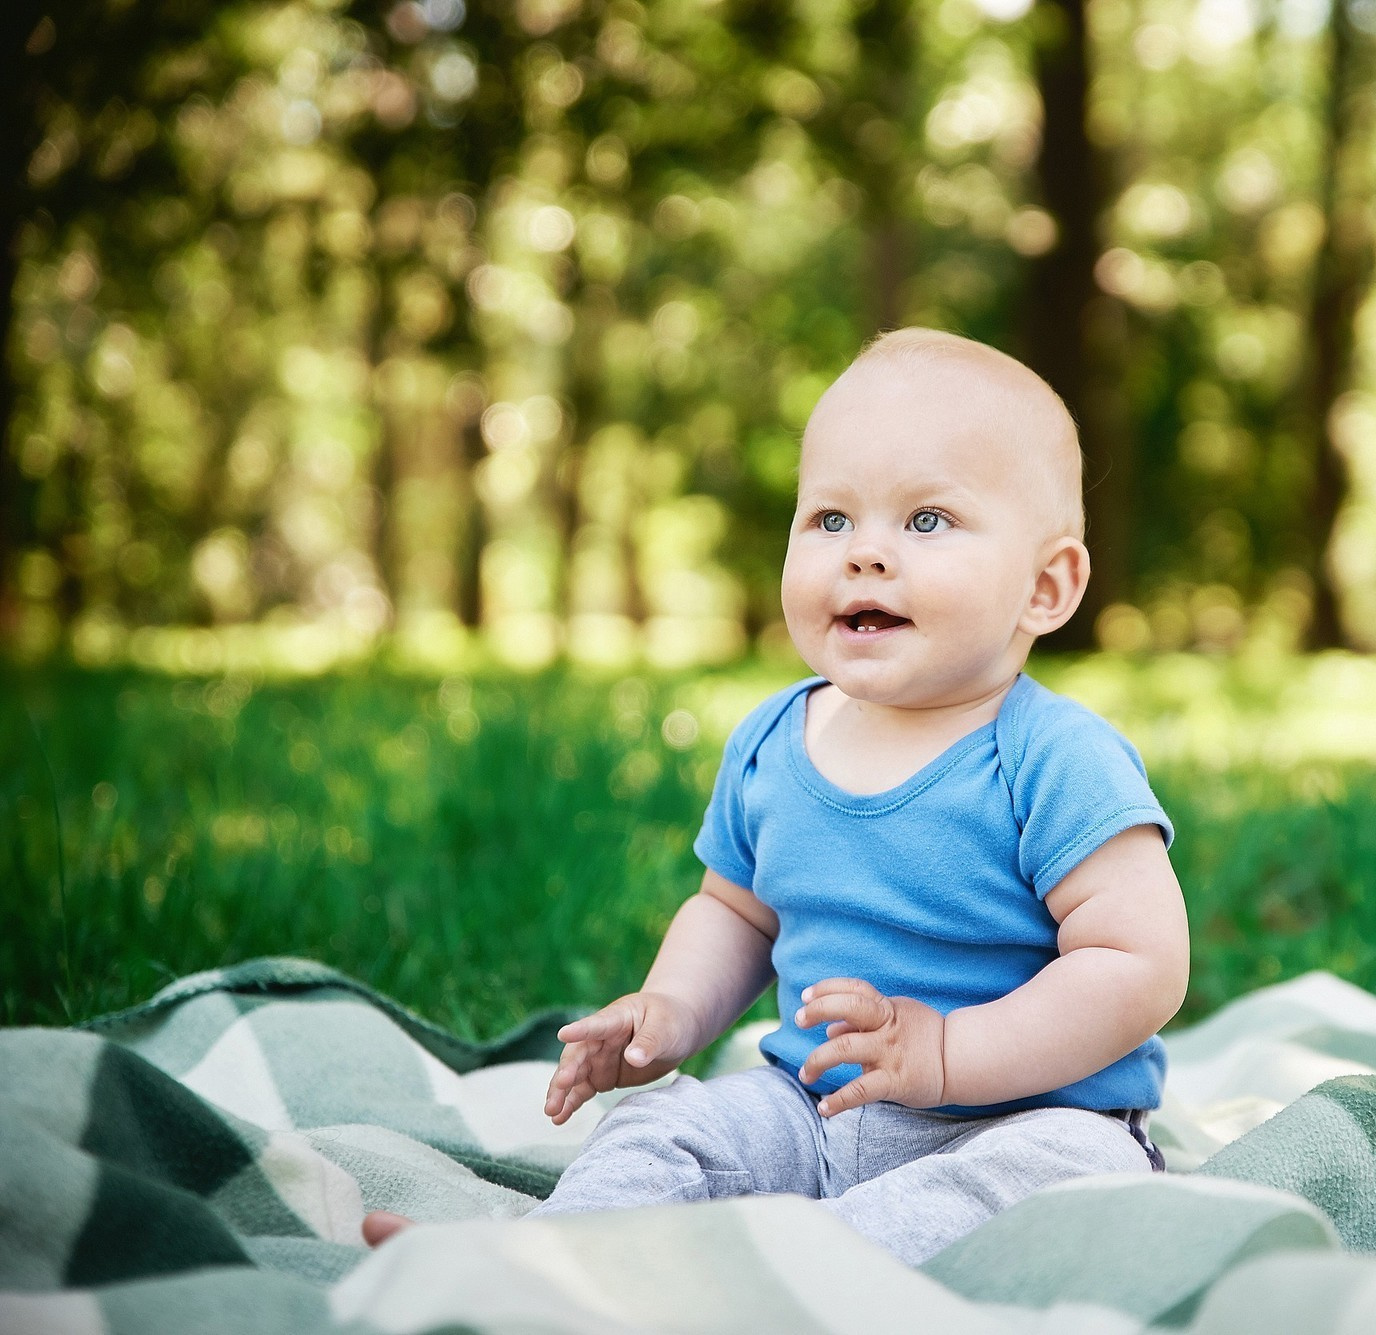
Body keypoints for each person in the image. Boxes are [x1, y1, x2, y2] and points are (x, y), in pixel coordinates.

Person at [363, 328, 1189, 1265]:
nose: (865, 552)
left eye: (926, 520)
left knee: (1058, 1178)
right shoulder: (773, 743)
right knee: (668, 1128)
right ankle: (543, 1260)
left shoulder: (1055, 757)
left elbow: (1140, 962)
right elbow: (736, 912)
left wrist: (948, 1053)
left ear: (1046, 586)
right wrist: (669, 1010)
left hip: (1020, 1118)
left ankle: (787, 1272)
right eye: (830, 518)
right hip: (811, 1104)